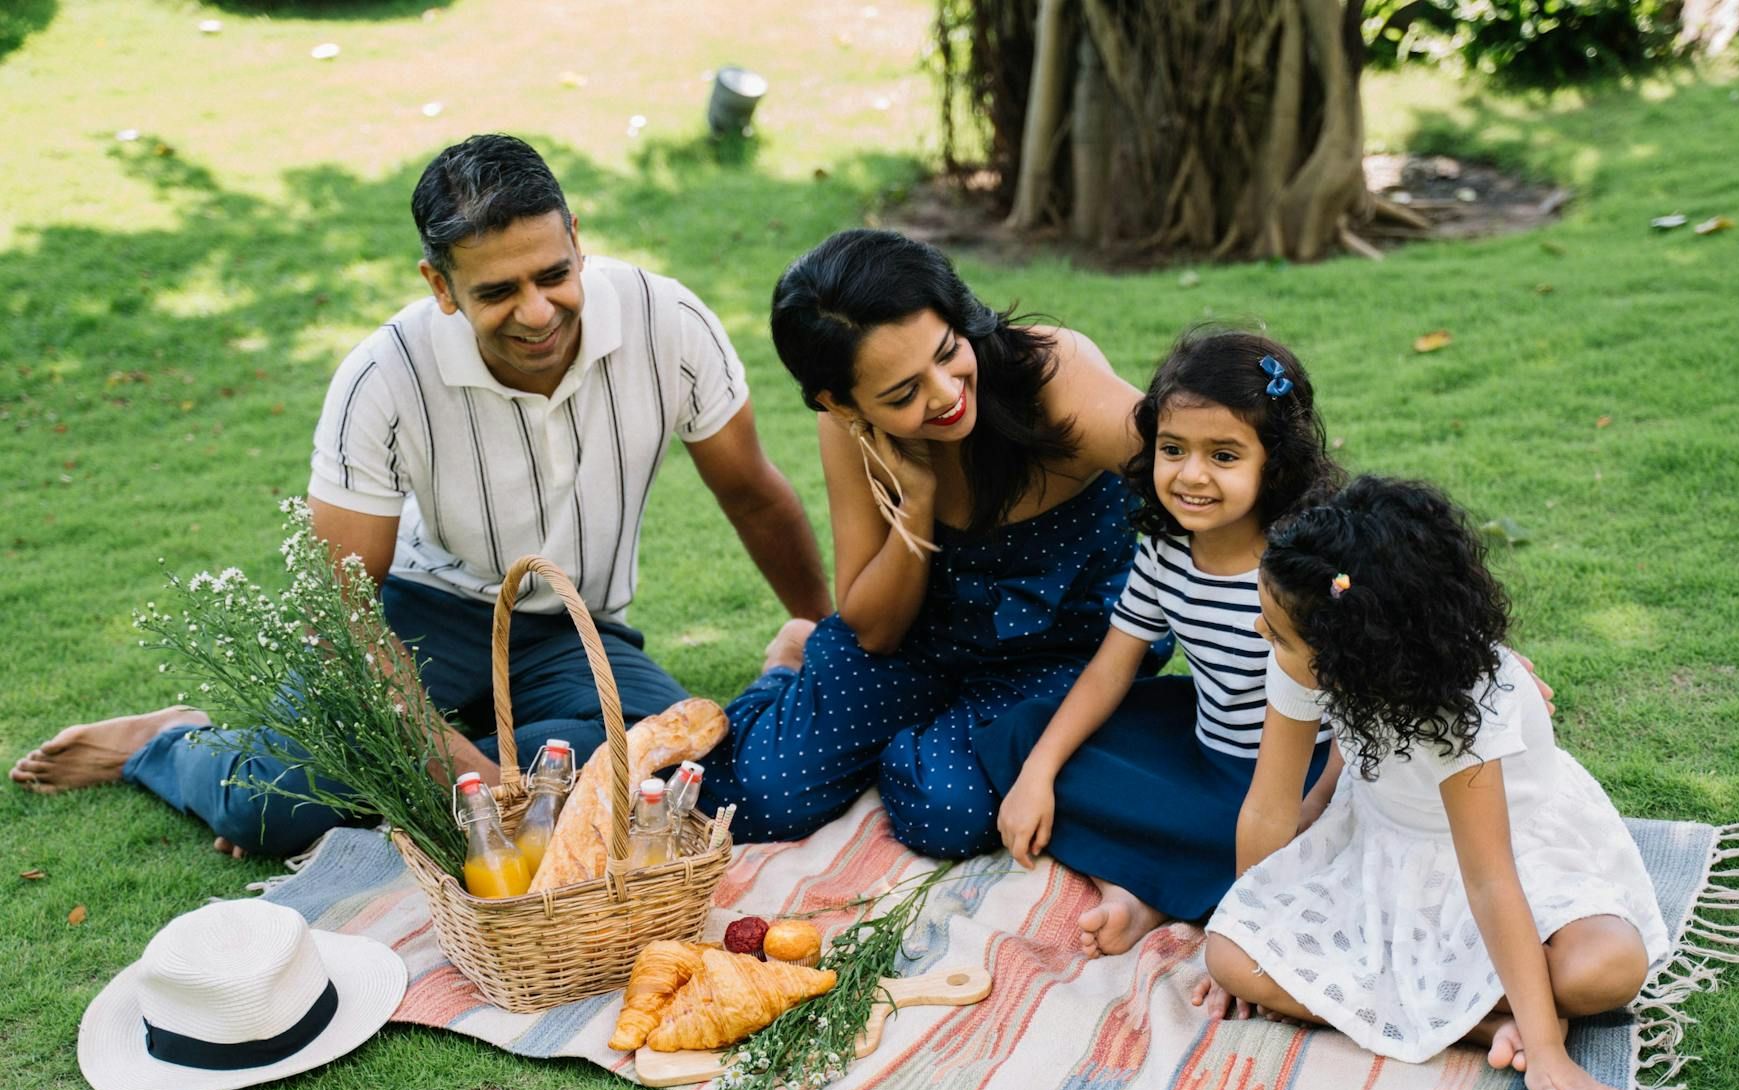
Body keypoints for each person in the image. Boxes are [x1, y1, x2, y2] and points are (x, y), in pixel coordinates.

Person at [10, 134, 830, 857]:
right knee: (267, 811)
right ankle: (171, 741)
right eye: (497, 291)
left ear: (577, 241)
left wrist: (826, 637)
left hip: (573, 628)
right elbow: (342, 615)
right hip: (413, 614)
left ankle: (396, 763)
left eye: (553, 274)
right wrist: (450, 763)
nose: (538, 311)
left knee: (674, 769)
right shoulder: (381, 376)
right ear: (441, 286)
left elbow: (755, 495)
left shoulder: (669, 322)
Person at [1203, 476, 1670, 1090]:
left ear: (1354, 653)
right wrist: (1256, 917)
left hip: (1503, 862)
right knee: (1228, 955)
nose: (1261, 632)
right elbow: (1268, 806)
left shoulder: (1466, 707)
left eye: (1279, 631)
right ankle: (1480, 1027)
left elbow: (1490, 878)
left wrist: (1547, 1051)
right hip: (1383, 850)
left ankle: (1512, 1018)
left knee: (1608, 968)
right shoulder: (1297, 655)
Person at [698, 228, 1170, 856]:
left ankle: (915, 733)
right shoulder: (849, 430)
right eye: (903, 393)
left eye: (948, 352)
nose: (946, 394)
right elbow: (874, 630)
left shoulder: (1054, 375)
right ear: (842, 403)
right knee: (752, 801)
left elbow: (1191, 476)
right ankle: (792, 663)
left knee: (945, 814)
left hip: (1061, 647)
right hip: (918, 643)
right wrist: (914, 508)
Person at [978, 330, 1344, 959]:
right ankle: (1142, 888)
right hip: (1200, 745)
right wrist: (1038, 773)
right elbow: (1110, 670)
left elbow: (1365, 708)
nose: (1191, 475)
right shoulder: (1166, 547)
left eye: (1224, 456)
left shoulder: (1309, 565)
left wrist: (1315, 808)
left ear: (1273, 463)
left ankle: (1147, 892)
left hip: (1296, 780)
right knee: (1024, 738)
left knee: (1283, 847)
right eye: (1173, 449)